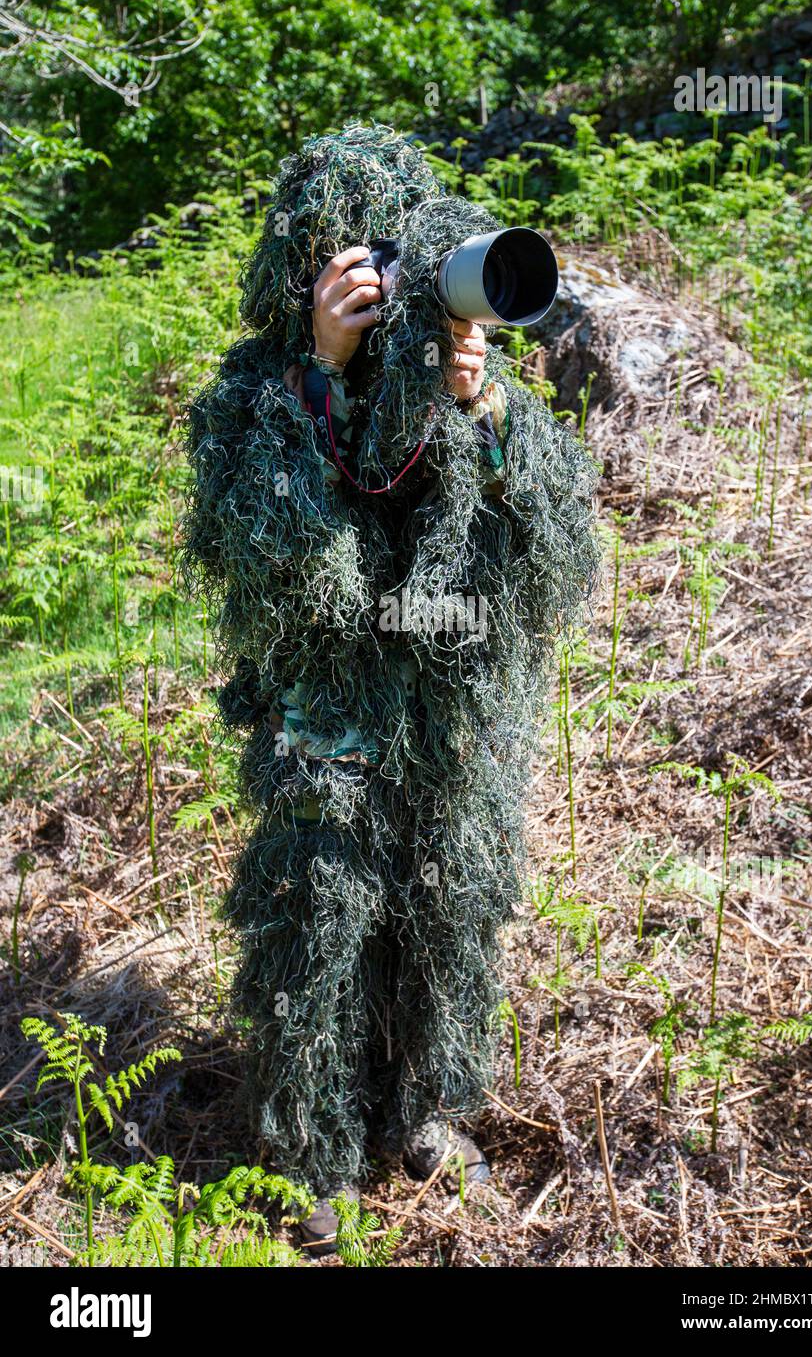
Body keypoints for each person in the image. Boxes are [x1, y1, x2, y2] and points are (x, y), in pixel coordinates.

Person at [184, 124, 598, 1251]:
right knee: (317, 922)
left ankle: (419, 1109)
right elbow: (275, 561)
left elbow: (552, 557)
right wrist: (318, 372)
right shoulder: (250, 392)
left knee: (446, 912)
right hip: (327, 718)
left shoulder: (461, 372)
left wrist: (484, 416)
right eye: (344, 254)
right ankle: (313, 1153)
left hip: (447, 718)